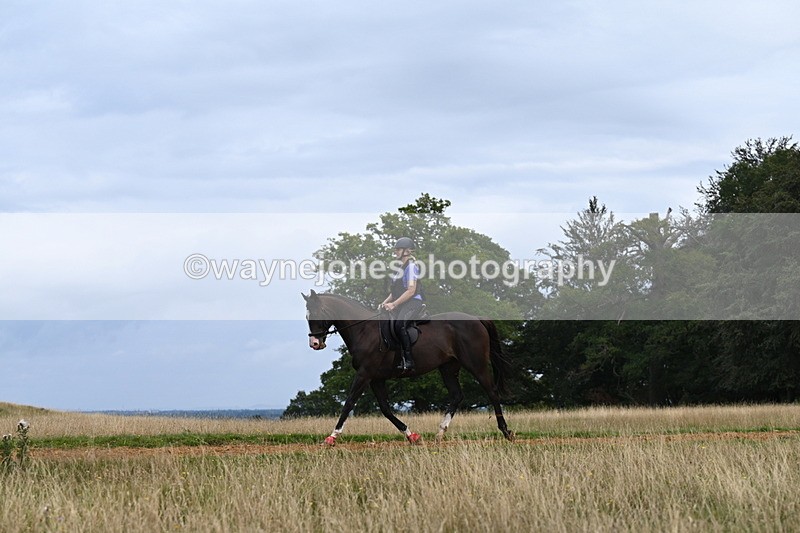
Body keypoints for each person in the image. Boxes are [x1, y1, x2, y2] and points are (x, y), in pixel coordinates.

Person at [380, 237, 425, 372]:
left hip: (413, 302)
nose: (395, 252)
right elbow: (395, 292)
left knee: (400, 324)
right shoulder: (399, 269)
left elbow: (411, 291)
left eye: (398, 249)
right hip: (402, 302)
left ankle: (409, 360)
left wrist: (393, 305)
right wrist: (384, 303)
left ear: (406, 251)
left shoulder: (411, 267)